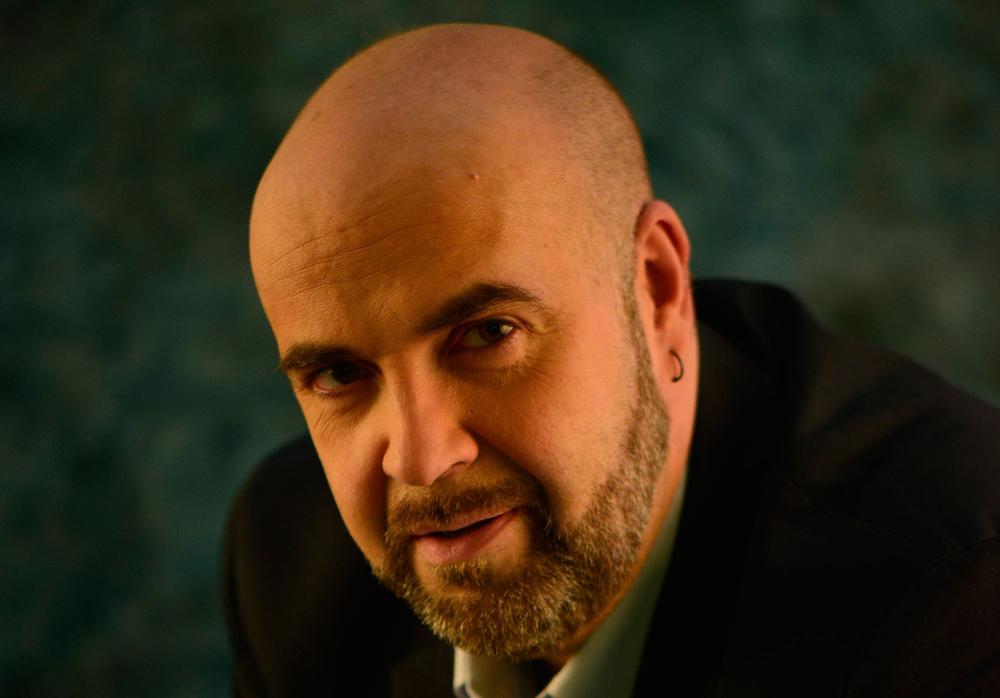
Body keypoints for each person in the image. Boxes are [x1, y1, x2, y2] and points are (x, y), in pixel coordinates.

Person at [221, 23, 1000, 698]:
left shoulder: (955, 606)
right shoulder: (289, 571)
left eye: (488, 334)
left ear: (656, 287)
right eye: (340, 375)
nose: (422, 459)